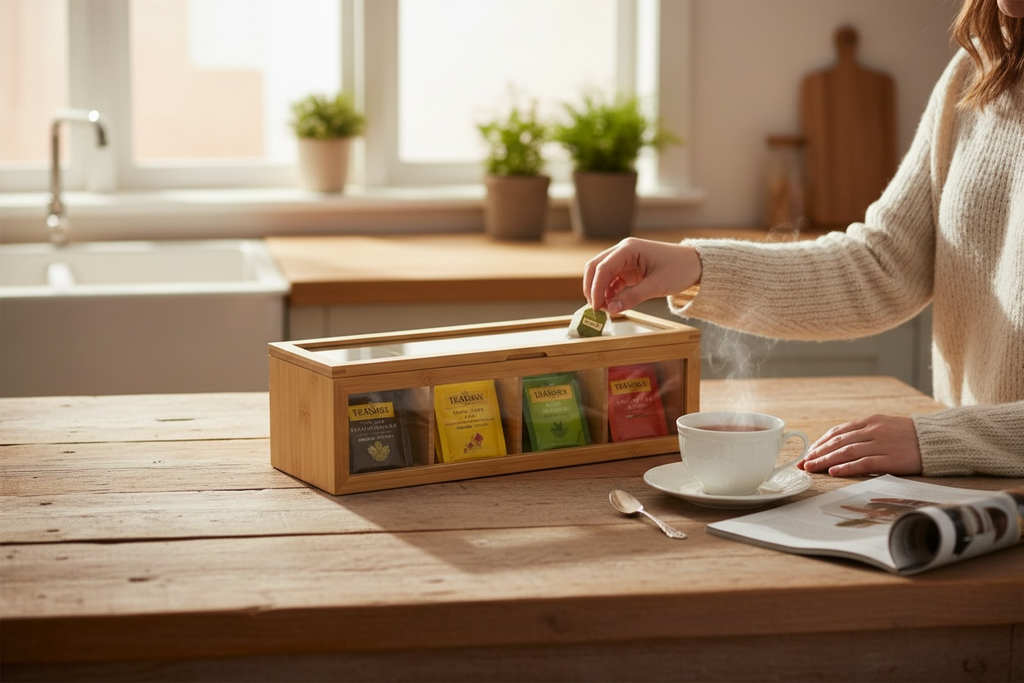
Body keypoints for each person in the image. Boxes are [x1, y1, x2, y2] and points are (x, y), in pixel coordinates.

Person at [583, 0, 1024, 478]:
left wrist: (943, 438)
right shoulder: (982, 70)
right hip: (974, 495)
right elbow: (882, 266)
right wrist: (698, 266)